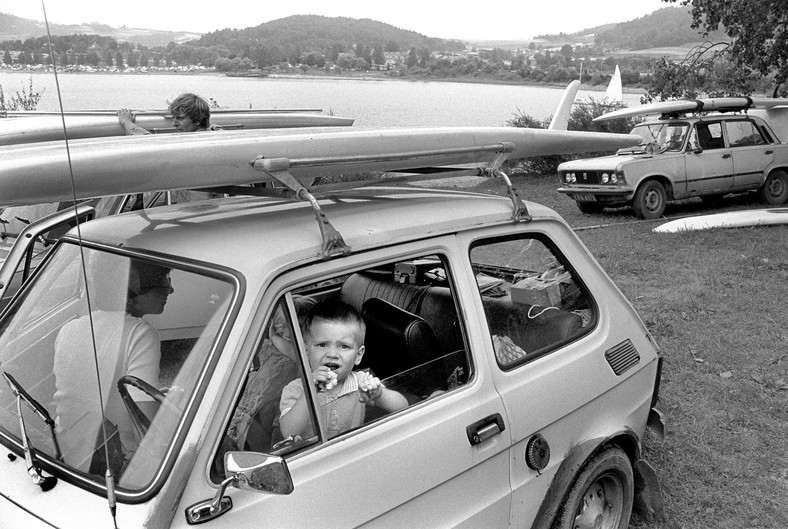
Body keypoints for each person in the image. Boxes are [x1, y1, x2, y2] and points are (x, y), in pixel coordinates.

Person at [53, 260, 174, 474]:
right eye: (161, 281)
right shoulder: (141, 334)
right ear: (133, 291)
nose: (170, 290)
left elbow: (88, 393)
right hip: (114, 462)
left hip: (66, 448)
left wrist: (152, 398)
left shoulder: (68, 329)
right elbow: (146, 428)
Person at [279, 299, 408, 440]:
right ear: (306, 351)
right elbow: (288, 432)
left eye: (344, 346)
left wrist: (379, 394)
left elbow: (403, 406)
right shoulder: (295, 390)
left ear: (358, 355)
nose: (332, 354)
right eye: (322, 345)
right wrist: (310, 390)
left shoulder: (360, 382)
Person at [224, 295, 316, 452]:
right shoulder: (274, 355)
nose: (285, 330)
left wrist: (275, 337)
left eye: (299, 328)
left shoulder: (283, 353)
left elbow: (300, 356)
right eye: (282, 327)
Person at [118, 92, 219, 135]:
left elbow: (147, 140)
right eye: (173, 118)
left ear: (198, 119)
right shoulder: (217, 132)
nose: (174, 123)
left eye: (180, 118)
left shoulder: (192, 141)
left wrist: (127, 122)